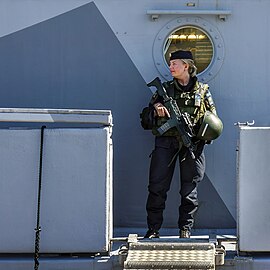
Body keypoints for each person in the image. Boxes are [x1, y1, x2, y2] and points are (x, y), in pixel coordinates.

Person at [143, 50, 219, 239]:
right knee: (157, 187)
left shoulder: (203, 91)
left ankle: (185, 229)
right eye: (170, 64)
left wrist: (202, 133)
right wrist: (155, 108)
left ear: (186, 65)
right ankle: (153, 230)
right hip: (165, 143)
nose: (170, 67)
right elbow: (144, 120)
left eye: (174, 64)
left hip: (192, 144)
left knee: (189, 190)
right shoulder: (165, 90)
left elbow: (214, 119)